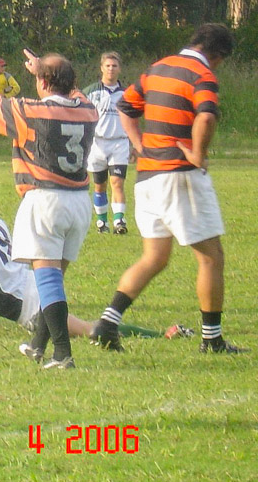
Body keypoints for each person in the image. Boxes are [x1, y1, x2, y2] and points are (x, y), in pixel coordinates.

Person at [90, 24, 248, 355]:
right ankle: (212, 339)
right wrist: (198, 154)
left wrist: (139, 144)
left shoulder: (156, 69)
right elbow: (206, 117)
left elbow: (126, 107)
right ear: (216, 55)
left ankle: (107, 322)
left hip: (148, 176)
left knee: (155, 257)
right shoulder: (201, 74)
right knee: (211, 257)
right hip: (180, 175)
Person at [0, 180, 174, 342]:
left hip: (29, 305)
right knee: (86, 328)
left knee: (90, 330)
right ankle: (160, 333)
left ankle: (163, 334)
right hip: (35, 283)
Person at [0, 49, 97, 370]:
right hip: (79, 202)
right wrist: (45, 71)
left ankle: (62, 354)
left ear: (42, 81)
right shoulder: (87, 109)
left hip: (46, 200)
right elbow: (75, 93)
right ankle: (37, 345)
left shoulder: (32, 111)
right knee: (52, 281)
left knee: (48, 280)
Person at [86, 51, 130, 234]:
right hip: (97, 143)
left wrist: (135, 143)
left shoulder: (127, 94)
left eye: (114, 66)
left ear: (119, 69)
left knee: (117, 182)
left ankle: (119, 221)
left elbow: (133, 120)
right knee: (99, 185)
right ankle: (102, 222)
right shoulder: (90, 92)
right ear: (101, 68)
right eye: (108, 66)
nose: (111, 69)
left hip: (119, 143)